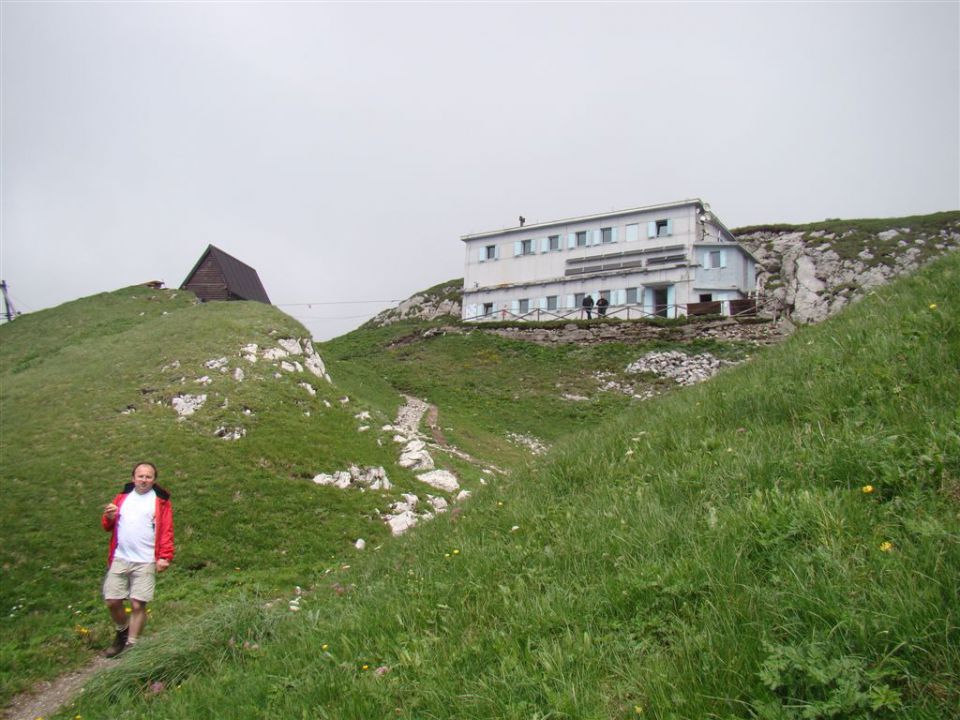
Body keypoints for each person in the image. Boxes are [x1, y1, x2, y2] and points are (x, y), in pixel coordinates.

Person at [100, 462, 174, 657]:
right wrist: (108, 517)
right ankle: (122, 632)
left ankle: (132, 647)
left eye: (148, 477)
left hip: (146, 559)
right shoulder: (122, 497)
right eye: (140, 476)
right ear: (133, 478)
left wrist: (165, 556)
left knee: (137, 604)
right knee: (112, 600)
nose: (144, 480)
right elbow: (107, 525)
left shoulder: (161, 501)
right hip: (121, 556)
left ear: (154, 480)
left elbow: (166, 530)